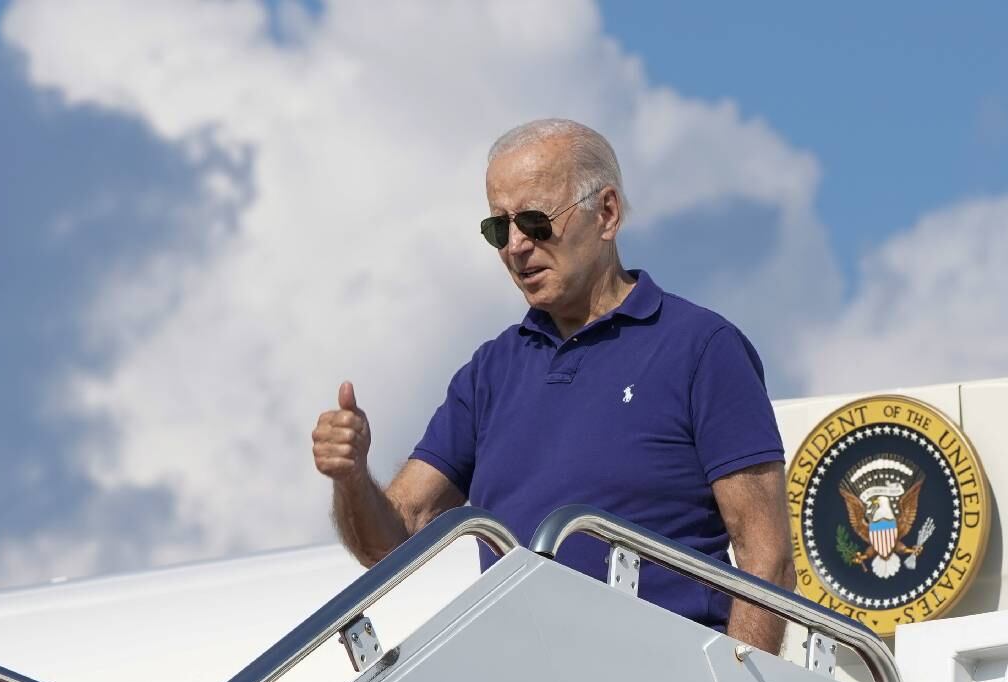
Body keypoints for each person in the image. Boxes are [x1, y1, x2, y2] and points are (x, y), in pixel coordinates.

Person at [311, 118, 794, 653]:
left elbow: (765, 556)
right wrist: (351, 477)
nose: (517, 245)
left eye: (537, 222)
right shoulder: (489, 372)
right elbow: (392, 537)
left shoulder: (702, 348)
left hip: (664, 680)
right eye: (499, 228)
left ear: (606, 213)